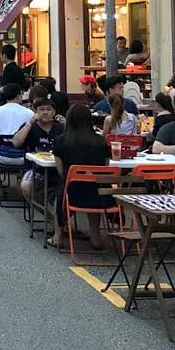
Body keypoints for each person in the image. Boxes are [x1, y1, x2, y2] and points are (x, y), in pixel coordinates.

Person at [52, 104, 112, 250]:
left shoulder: (60, 141)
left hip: (71, 191)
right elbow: (105, 167)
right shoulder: (101, 141)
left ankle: (57, 235)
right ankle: (96, 237)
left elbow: (61, 171)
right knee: (93, 188)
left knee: (60, 192)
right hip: (99, 194)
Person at [0, 84, 34, 193]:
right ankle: (23, 186)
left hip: (2, 154)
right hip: (23, 156)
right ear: (19, 96)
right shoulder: (29, 113)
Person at [12, 98, 65, 200]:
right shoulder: (29, 126)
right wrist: (29, 123)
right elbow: (16, 143)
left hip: (58, 169)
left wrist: (68, 125)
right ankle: (45, 213)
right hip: (35, 169)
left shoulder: (60, 128)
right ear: (35, 112)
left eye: (49, 109)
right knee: (26, 186)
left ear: (54, 112)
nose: (45, 112)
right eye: (41, 109)